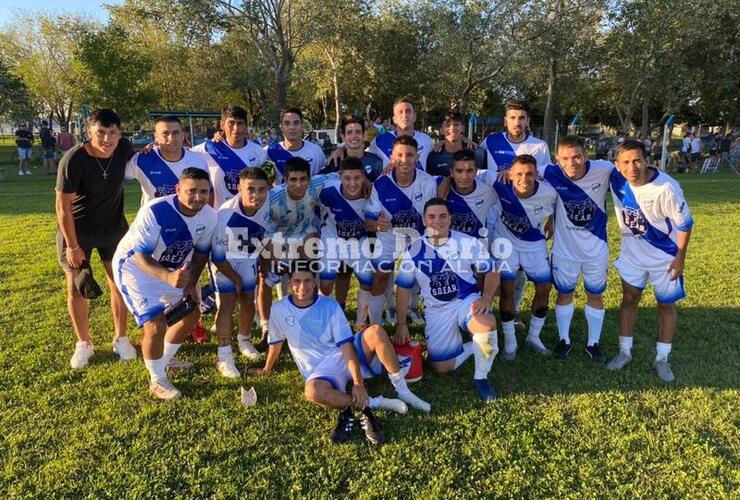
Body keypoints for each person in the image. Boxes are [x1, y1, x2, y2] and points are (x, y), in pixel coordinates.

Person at [250, 262, 430, 445]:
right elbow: (276, 342)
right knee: (312, 392)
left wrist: (358, 383)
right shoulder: (279, 309)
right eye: (297, 281)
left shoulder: (330, 306)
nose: (302, 287)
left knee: (376, 331)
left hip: (344, 356)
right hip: (321, 371)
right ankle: (374, 402)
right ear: (289, 283)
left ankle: (402, 390)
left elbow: (346, 347)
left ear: (315, 283)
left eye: (307, 281)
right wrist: (266, 368)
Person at [113, 168, 217, 399]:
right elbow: (141, 256)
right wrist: (168, 277)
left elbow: (201, 253)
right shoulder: (156, 211)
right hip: (135, 269)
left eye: (204, 191)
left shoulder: (209, 216)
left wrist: (191, 284)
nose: (199, 197)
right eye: (192, 191)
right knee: (155, 325)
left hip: (173, 269)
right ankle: (157, 380)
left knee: (191, 313)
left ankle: (164, 360)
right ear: (178, 189)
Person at [394, 198, 500, 401]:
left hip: (465, 301)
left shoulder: (467, 242)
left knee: (485, 323)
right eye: (431, 217)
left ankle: (481, 377)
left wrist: (486, 298)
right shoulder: (413, 251)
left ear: (450, 218)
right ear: (424, 220)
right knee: (441, 367)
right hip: (436, 310)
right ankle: (474, 346)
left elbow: (493, 270)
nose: (437, 221)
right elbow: (403, 289)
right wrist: (401, 324)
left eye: (443, 216)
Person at [55, 109, 136, 369]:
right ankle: (84, 344)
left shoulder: (124, 147)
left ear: (120, 133)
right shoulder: (74, 159)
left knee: (120, 283)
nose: (107, 139)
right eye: (100, 132)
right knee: (77, 286)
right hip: (78, 231)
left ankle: (121, 338)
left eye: (112, 132)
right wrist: (73, 245)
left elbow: (154, 155)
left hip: (113, 227)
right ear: (89, 132)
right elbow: (62, 207)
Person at [607, 140, 693, 382]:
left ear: (647, 161)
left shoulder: (666, 187)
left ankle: (662, 358)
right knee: (629, 300)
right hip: (632, 256)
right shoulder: (616, 179)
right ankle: (624, 353)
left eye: (637, 160)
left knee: (666, 305)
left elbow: (685, 225)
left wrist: (680, 259)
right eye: (626, 162)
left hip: (664, 258)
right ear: (617, 165)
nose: (632, 167)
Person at [478, 99, 552, 329]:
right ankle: (485, 311)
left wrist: (553, 219)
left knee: (520, 269)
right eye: (512, 117)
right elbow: (475, 164)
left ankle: (515, 311)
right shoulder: (490, 142)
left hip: (527, 217)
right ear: (505, 120)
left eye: (521, 118)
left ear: (528, 121)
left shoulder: (539, 147)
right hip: (494, 213)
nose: (517, 122)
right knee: (494, 265)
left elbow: (546, 180)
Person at [543, 136, 613, 362]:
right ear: (557, 159)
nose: (571, 162)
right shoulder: (550, 172)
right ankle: (564, 340)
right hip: (565, 250)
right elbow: (520, 169)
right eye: (565, 158)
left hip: (596, 249)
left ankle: (593, 343)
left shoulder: (604, 170)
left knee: (595, 294)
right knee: (564, 293)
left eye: (577, 157)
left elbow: (628, 168)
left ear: (586, 155)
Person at [364, 135, 438, 325]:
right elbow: (368, 221)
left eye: (410, 155)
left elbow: (431, 218)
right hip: (388, 237)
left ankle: (413, 309)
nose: (405, 160)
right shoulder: (381, 184)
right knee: (380, 277)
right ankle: (377, 324)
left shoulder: (428, 183)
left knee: (417, 275)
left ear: (417, 157)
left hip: (417, 236)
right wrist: (376, 224)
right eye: (400, 155)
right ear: (392, 157)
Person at [209, 167, 275, 377]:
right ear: (239, 189)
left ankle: (244, 341)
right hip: (225, 259)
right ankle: (224, 356)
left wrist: (265, 259)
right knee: (228, 301)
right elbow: (217, 257)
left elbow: (262, 235)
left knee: (248, 300)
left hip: (248, 255)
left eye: (261, 189)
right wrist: (235, 278)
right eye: (250, 189)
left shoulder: (268, 204)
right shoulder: (225, 215)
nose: (256, 195)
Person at [492, 155, 557, 360]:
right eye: (518, 174)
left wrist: (552, 221)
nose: (524, 178)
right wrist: (447, 181)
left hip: (534, 244)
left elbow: (561, 207)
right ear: (510, 174)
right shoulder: (499, 182)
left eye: (529, 173)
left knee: (544, 288)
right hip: (506, 244)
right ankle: (510, 341)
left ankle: (534, 336)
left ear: (537, 174)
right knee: (507, 289)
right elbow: (468, 173)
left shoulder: (549, 193)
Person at [318, 157, 375, 319]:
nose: (352, 183)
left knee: (367, 281)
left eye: (357, 178)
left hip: (359, 243)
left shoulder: (371, 194)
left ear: (363, 177)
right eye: (347, 178)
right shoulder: (327, 192)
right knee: (326, 285)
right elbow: (311, 207)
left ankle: (361, 322)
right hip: (331, 241)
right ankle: (327, 317)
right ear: (340, 176)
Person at [192, 105, 267, 208]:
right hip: (219, 216)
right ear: (222, 125)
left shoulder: (258, 151)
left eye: (240, 123)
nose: (236, 128)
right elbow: (182, 155)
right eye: (231, 123)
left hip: (250, 216)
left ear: (246, 125)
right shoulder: (209, 148)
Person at [126, 115, 210, 206]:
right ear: (156, 136)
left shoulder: (198, 160)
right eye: (165, 133)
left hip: (189, 220)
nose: (171, 138)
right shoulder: (141, 159)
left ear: (183, 135)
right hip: (154, 219)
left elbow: (208, 194)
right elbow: (114, 181)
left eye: (176, 133)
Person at [438, 149, 496, 239]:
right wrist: (447, 180)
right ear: (452, 172)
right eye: (459, 171)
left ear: (476, 171)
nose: (464, 176)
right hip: (448, 249)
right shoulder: (438, 186)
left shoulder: (489, 190)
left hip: (475, 249)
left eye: (469, 170)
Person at [366, 98, 434, 170]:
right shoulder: (379, 141)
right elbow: (363, 157)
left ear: (414, 116)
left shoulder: (426, 140)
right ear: (394, 119)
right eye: (400, 112)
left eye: (408, 111)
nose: (404, 115)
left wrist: (441, 145)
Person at [266, 107, 327, 184]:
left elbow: (325, 179)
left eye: (296, 123)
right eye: (287, 123)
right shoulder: (269, 151)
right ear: (281, 127)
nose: (292, 127)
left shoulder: (316, 151)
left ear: (302, 125)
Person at [321, 114, 383, 181]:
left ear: (364, 135)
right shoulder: (334, 163)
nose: (354, 136)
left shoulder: (376, 163)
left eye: (357, 132)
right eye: (349, 132)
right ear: (343, 137)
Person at [426, 110, 486, 177]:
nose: (452, 128)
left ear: (463, 128)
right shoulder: (434, 157)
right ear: (441, 130)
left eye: (456, 124)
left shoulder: (478, 154)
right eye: (448, 125)